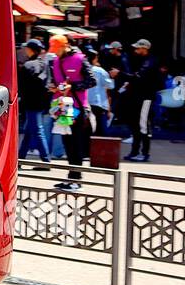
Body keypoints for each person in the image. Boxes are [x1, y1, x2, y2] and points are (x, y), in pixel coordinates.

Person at [46, 33, 94, 190]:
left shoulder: (80, 59)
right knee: (68, 144)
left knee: (76, 143)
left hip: (78, 108)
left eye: (56, 49)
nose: (54, 52)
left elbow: (91, 81)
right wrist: (54, 87)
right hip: (63, 108)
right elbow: (57, 83)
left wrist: (73, 86)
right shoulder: (56, 61)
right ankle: (71, 177)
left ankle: (77, 179)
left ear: (65, 46)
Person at [121, 38, 160, 162]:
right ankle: (135, 151)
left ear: (145, 48)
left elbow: (139, 77)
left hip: (146, 98)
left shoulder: (150, 61)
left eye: (138, 48)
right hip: (139, 97)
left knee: (143, 126)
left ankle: (144, 153)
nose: (136, 50)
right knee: (136, 126)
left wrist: (121, 74)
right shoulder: (143, 61)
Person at [16, 38, 52, 165]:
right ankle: (20, 158)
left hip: (30, 102)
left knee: (37, 130)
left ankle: (46, 160)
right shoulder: (45, 64)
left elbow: (21, 86)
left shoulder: (27, 65)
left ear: (30, 50)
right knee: (29, 130)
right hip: (41, 103)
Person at [86, 49, 113, 136]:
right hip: (98, 104)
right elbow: (110, 86)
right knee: (100, 132)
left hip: (84, 104)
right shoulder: (100, 71)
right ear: (95, 58)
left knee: (86, 131)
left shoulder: (81, 69)